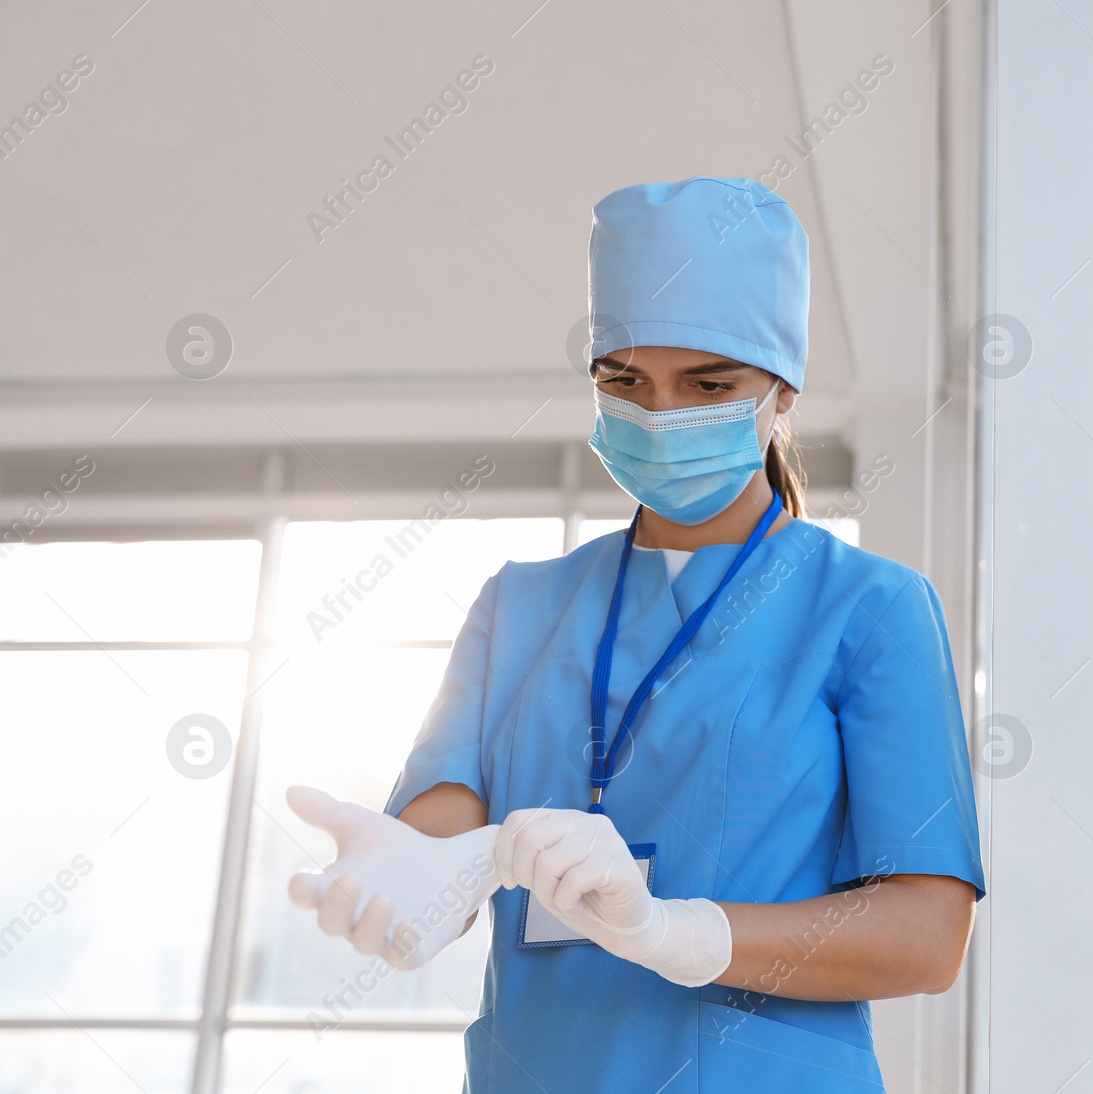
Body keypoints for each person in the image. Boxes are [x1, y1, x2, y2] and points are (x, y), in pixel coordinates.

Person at [285, 175, 986, 1091]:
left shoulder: (870, 607)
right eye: (624, 380)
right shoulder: (518, 606)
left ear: (782, 390)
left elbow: (926, 937)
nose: (661, 415)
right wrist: (415, 870)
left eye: (708, 383)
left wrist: (675, 933)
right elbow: (445, 823)